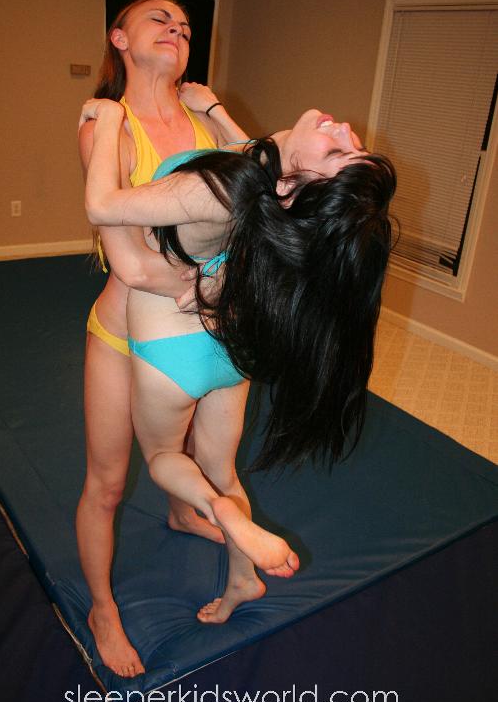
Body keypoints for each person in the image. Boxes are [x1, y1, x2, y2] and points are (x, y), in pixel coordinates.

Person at [81, 98, 397, 672]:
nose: (345, 129)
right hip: (223, 343)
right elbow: (261, 154)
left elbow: (120, 239)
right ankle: (241, 578)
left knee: (153, 462)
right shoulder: (273, 180)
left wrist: (106, 121)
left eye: (339, 151)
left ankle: (147, 574)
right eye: (351, 145)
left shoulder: (221, 188)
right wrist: (216, 109)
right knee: (221, 471)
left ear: (293, 187)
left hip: (165, 342)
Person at [76, 0, 249, 679]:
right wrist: (210, 288)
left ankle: (182, 514)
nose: (177, 28)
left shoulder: (206, 125)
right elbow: (128, 262)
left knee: (198, 456)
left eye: (184, 25)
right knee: (109, 482)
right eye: (159, 18)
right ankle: (101, 608)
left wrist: (217, 110)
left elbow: (265, 198)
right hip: (127, 330)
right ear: (119, 38)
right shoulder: (109, 126)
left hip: (204, 323)